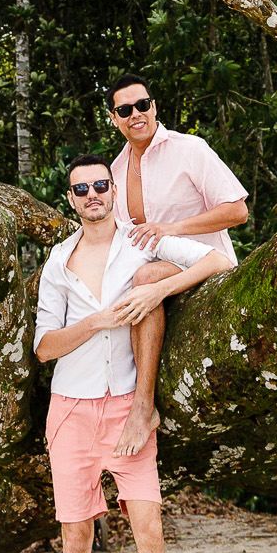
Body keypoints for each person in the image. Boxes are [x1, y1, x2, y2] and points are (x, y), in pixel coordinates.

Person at [33, 151, 229, 553]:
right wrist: (95, 321)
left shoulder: (141, 244)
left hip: (127, 407)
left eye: (100, 185)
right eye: (81, 189)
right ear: (71, 200)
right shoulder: (58, 261)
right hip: (71, 410)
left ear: (113, 191)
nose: (92, 195)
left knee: (150, 534)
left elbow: (220, 261)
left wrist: (156, 291)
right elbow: (44, 347)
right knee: (76, 541)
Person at [107, 73, 248, 456]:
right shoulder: (115, 173)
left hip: (207, 267)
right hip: (151, 278)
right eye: (125, 110)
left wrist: (172, 228)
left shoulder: (190, 149)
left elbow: (237, 211)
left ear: (154, 107)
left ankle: (142, 407)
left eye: (142, 105)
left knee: (146, 277)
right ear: (114, 119)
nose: (136, 114)